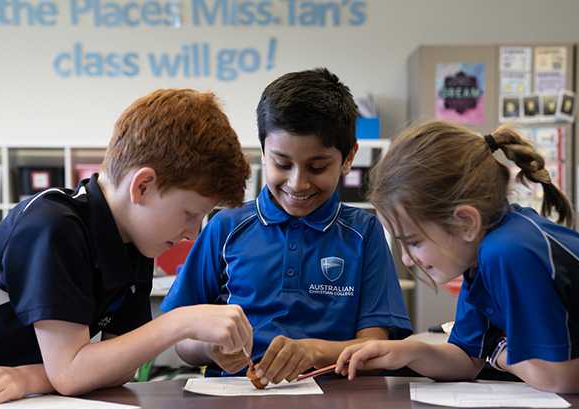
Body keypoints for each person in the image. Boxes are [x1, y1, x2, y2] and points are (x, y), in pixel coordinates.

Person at [0, 89, 254, 409]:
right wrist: (180, 321)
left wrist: (32, 377)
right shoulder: (53, 224)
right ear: (142, 187)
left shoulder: (135, 241)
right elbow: (71, 372)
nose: (192, 232)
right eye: (189, 214)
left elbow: (118, 364)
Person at [336, 120, 579, 398]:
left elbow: (563, 378)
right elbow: (466, 358)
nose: (408, 260)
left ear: (466, 222)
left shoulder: (508, 251)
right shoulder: (481, 257)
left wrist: (497, 350)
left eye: (413, 242)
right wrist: (408, 352)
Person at [161, 68, 412, 387]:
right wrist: (210, 348)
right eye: (281, 164)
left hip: (335, 406)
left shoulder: (364, 233)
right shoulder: (225, 227)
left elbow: (376, 350)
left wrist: (315, 352)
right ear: (263, 152)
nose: (298, 183)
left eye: (317, 167)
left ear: (348, 158)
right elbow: (182, 340)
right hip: (234, 406)